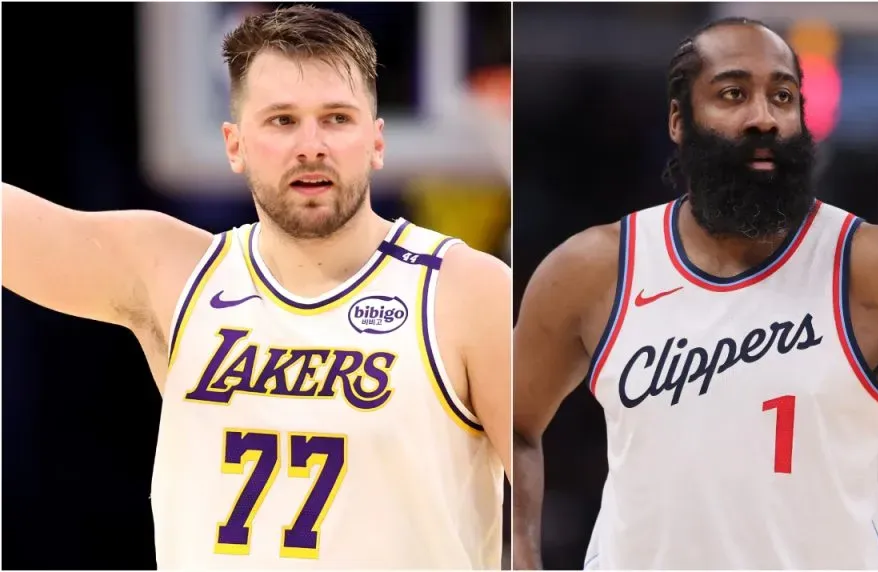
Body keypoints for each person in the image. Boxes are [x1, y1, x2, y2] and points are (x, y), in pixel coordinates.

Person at [3, 5, 510, 569]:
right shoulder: (173, 273)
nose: (311, 145)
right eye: (282, 120)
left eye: (337, 119)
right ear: (235, 144)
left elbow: (545, 479)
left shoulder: (462, 290)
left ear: (377, 140)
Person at [512, 17, 878, 570]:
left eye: (782, 96)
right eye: (733, 94)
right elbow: (509, 425)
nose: (763, 117)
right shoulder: (594, 270)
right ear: (679, 121)